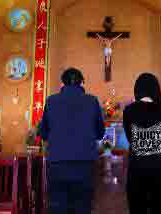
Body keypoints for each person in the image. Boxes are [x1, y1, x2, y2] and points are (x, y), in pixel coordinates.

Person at [38, 68, 105, 214]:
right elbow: (100, 133)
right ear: (82, 83)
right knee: (83, 206)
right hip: (84, 164)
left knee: (57, 206)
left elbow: (43, 132)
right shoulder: (92, 101)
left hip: (57, 163)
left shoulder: (51, 101)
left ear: (62, 83)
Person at [123, 73, 161, 214]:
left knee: (137, 207)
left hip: (137, 167)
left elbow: (129, 137)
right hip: (158, 167)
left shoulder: (129, 110)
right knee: (159, 207)